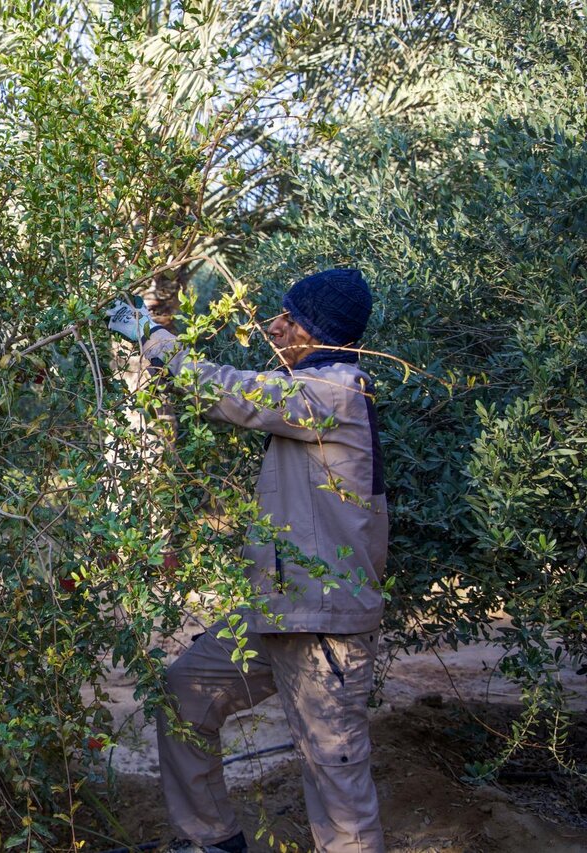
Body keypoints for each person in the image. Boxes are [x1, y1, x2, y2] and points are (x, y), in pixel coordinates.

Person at [106, 269, 388, 853]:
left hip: (324, 629)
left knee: (336, 781)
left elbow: (230, 392)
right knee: (184, 691)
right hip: (279, 612)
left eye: (290, 319)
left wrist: (153, 340)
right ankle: (213, 841)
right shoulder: (307, 394)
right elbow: (222, 400)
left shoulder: (334, 392)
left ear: (320, 334)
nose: (274, 326)